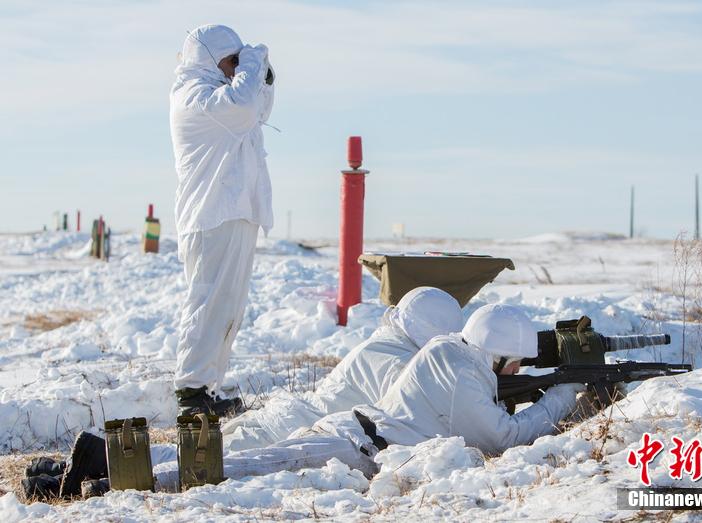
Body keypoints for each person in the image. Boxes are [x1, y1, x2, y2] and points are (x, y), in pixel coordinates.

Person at [182, 304, 582, 481]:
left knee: (227, 460)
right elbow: (506, 437)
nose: (516, 371)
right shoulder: (462, 374)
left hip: (347, 433)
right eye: (514, 362)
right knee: (231, 469)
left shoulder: (448, 351)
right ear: (496, 354)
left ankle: (149, 463)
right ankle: (148, 475)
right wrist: (562, 395)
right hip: (349, 446)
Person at [169, 24, 276, 415]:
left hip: (234, 212)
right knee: (208, 304)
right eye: (232, 61)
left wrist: (261, 74)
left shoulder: (220, 96)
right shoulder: (193, 96)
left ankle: (207, 390)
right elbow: (243, 107)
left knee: (228, 308)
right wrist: (252, 61)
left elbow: (258, 108)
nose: (236, 69)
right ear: (210, 59)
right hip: (211, 216)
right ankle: (191, 392)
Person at [223, 286, 465, 449]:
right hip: (287, 433)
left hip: (293, 424)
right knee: (210, 458)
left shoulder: (389, 344)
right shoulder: (391, 358)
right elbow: (417, 413)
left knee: (212, 448)